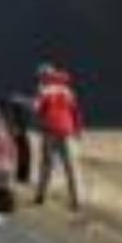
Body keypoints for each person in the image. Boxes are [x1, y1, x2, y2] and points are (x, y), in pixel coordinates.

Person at [34, 63, 84, 210]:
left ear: (44, 75)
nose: (39, 78)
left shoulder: (43, 90)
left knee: (46, 165)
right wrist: (78, 130)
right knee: (71, 167)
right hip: (67, 131)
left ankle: (41, 196)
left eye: (40, 76)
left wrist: (40, 122)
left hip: (50, 131)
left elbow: (38, 109)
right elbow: (75, 111)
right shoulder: (68, 90)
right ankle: (77, 201)